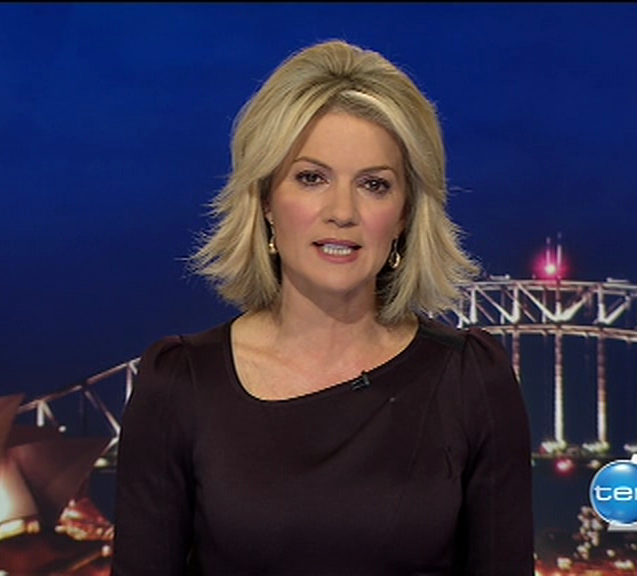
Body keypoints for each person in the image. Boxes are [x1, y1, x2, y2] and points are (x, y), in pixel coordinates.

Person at [112, 39, 534, 575]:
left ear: (405, 213)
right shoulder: (178, 385)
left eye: (374, 185)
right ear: (266, 198)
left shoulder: (472, 380)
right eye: (311, 178)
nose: (342, 211)